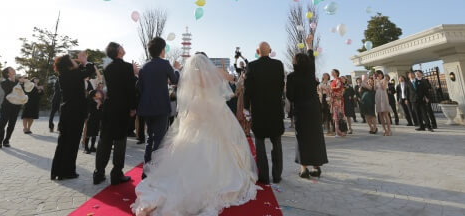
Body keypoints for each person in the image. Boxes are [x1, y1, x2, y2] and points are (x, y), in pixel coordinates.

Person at [132, 53, 259, 216]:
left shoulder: (189, 77)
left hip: (196, 112)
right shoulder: (213, 74)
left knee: (190, 146)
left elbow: (185, 97)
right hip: (214, 112)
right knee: (219, 146)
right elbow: (230, 83)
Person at [93, 42, 140, 185]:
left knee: (105, 141)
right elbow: (130, 89)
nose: (123, 47)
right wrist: (133, 107)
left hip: (109, 107)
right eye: (120, 46)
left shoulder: (108, 68)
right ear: (118, 51)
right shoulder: (126, 67)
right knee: (120, 141)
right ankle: (116, 174)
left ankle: (98, 173)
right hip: (122, 108)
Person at [136, 37, 181, 178]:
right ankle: (155, 170)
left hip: (147, 108)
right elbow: (175, 80)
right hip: (161, 107)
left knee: (150, 138)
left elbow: (140, 87)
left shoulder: (144, 67)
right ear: (162, 50)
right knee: (160, 139)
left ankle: (146, 168)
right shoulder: (165, 64)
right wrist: (177, 69)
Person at [286, 35, 328, 179]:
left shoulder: (291, 77)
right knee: (316, 136)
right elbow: (311, 57)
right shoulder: (311, 72)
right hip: (314, 108)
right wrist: (309, 44)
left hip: (301, 109)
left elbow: (290, 96)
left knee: (302, 137)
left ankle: (304, 169)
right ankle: (316, 167)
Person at [244, 41, 285, 185]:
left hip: (259, 110)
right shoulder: (278, 64)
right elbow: (281, 85)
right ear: (271, 50)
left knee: (260, 144)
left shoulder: (252, 66)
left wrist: (245, 107)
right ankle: (277, 175)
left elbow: (247, 89)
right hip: (275, 109)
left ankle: (264, 176)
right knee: (277, 143)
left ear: (257, 51)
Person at [50, 51, 95, 180]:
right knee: (72, 142)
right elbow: (89, 70)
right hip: (75, 112)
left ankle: (57, 171)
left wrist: (82, 63)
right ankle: (67, 172)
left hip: (67, 111)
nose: (75, 60)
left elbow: (81, 72)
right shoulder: (73, 74)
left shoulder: (64, 75)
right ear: (69, 64)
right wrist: (85, 61)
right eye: (72, 59)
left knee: (63, 141)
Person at [0, 67, 23, 148]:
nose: (14, 69)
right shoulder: (4, 81)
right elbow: (8, 90)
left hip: (16, 105)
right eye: (11, 69)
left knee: (12, 124)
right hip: (7, 106)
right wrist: (17, 83)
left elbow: (23, 92)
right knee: (2, 124)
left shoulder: (19, 81)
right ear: (8, 73)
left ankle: (6, 140)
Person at [84, 82, 104, 154]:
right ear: (93, 95)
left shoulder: (100, 101)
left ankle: (92, 146)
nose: (99, 94)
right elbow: (90, 110)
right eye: (97, 93)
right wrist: (97, 105)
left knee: (95, 134)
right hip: (91, 118)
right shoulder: (90, 102)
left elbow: (101, 110)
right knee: (89, 133)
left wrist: (99, 105)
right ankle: (86, 147)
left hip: (97, 119)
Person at [374, 71, 393, 136]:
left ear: (381, 74)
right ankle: (384, 129)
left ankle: (389, 130)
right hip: (378, 97)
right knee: (380, 114)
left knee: (385, 114)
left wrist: (379, 81)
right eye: (377, 74)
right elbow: (375, 88)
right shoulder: (376, 80)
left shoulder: (384, 79)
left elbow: (383, 88)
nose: (378, 75)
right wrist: (374, 80)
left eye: (379, 74)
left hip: (383, 97)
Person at [329, 69, 346, 137]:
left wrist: (331, 89)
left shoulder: (339, 80)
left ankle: (341, 131)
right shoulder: (333, 81)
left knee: (339, 116)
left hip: (338, 100)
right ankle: (337, 132)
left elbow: (339, 88)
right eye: (331, 72)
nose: (331, 73)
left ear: (336, 73)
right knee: (335, 116)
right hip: (334, 100)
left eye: (333, 72)